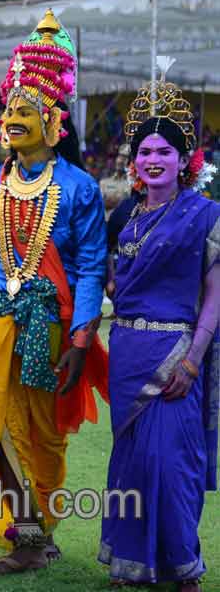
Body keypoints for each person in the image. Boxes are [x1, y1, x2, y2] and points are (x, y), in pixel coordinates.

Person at [0, 9, 109, 576]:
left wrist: (82, 337)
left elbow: (91, 267)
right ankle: (26, 539)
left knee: (42, 438)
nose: (12, 118)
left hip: (50, 325)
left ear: (53, 121)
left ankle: (37, 532)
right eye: (9, 109)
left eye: (26, 111)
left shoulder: (79, 186)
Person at [99, 68, 220, 592]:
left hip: (176, 353)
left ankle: (182, 567)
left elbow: (215, 294)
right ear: (134, 161)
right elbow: (111, 280)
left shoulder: (204, 215)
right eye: (144, 151)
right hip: (127, 351)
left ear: (184, 160)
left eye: (164, 152)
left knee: (173, 467)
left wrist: (193, 357)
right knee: (132, 464)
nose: (153, 160)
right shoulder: (125, 215)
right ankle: (134, 566)